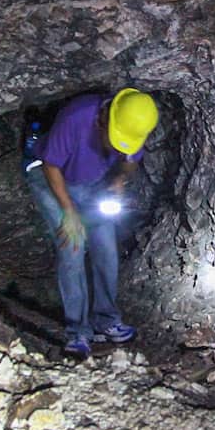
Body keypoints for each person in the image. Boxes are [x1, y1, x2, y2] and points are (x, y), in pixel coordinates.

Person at [24, 88, 160, 360]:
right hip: (48, 176)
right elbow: (51, 166)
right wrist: (70, 213)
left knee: (106, 247)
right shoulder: (76, 117)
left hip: (89, 181)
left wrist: (119, 180)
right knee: (72, 244)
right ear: (104, 119)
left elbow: (131, 160)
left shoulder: (134, 123)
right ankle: (77, 331)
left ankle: (106, 319)